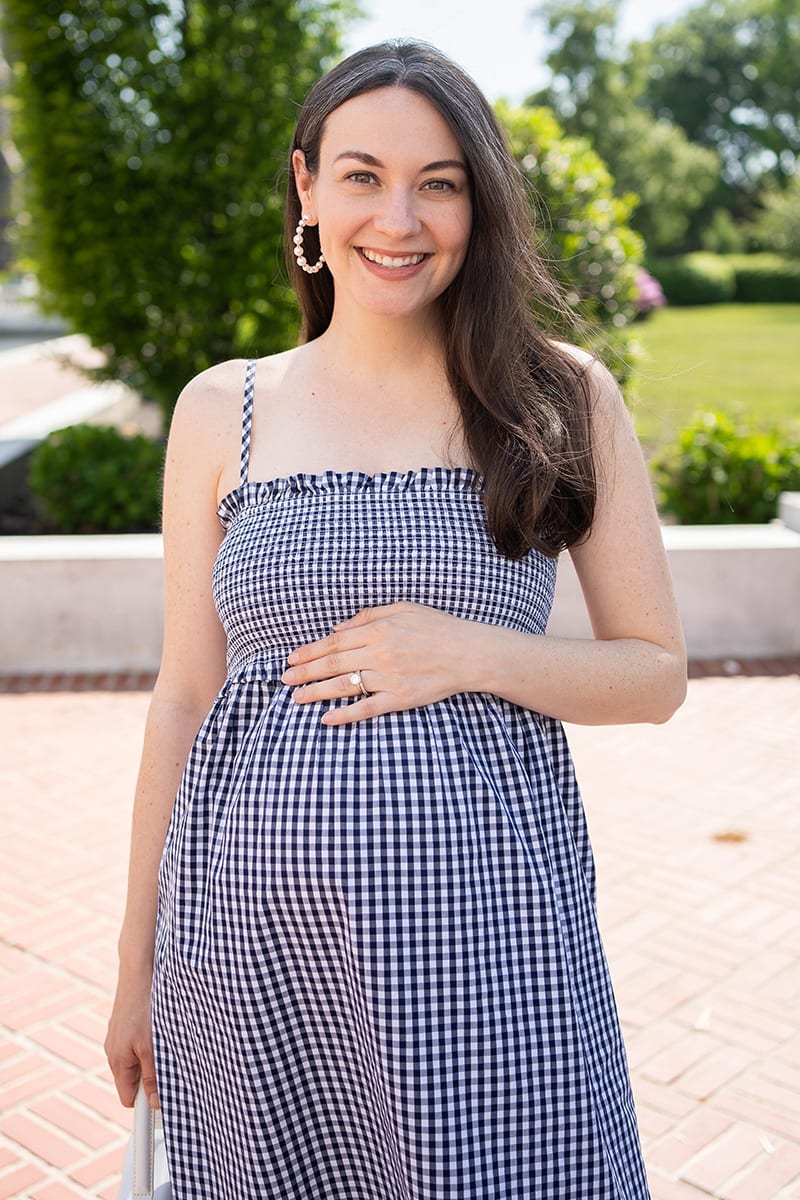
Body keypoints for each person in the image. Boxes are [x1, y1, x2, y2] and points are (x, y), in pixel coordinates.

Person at [105, 39, 686, 1200]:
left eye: (439, 183)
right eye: (363, 175)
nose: (399, 218)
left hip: (488, 948)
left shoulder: (557, 395)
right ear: (307, 190)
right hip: (249, 950)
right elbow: (183, 693)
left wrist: (466, 652)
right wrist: (135, 965)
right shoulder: (224, 410)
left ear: (478, 204)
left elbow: (654, 674)